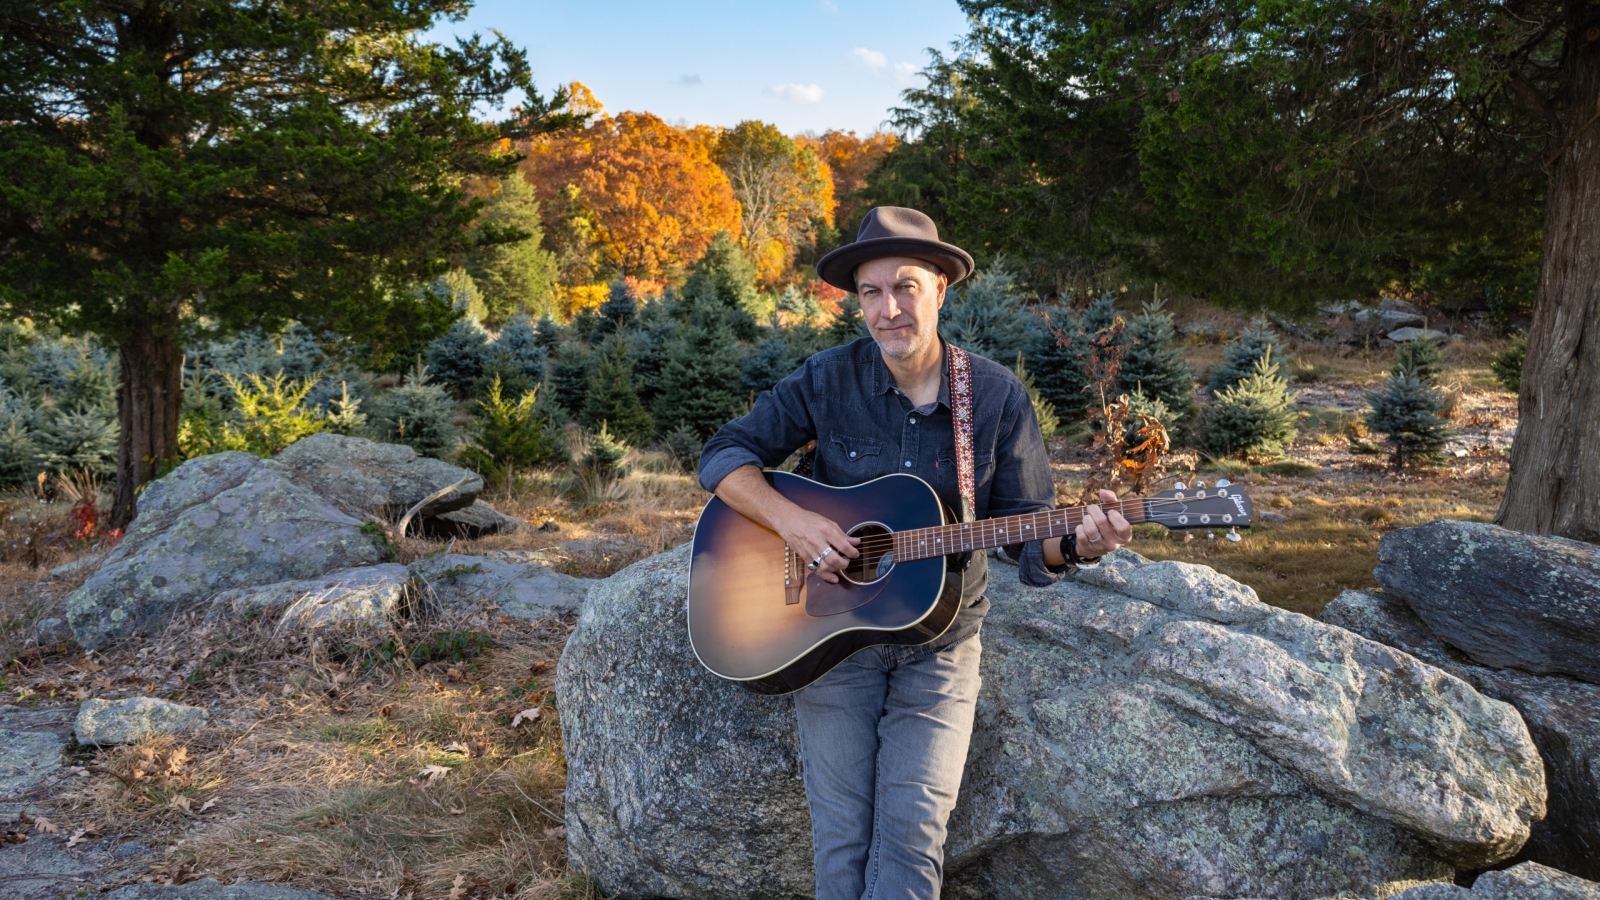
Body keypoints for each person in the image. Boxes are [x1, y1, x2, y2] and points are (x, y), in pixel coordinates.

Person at [697, 206, 1133, 899]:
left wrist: (1074, 545)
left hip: (941, 644)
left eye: (905, 287)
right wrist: (795, 523)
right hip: (829, 635)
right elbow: (723, 456)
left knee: (911, 842)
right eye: (870, 292)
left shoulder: (991, 396)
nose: (887, 309)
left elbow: (1026, 535)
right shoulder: (827, 378)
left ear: (940, 288)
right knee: (841, 839)